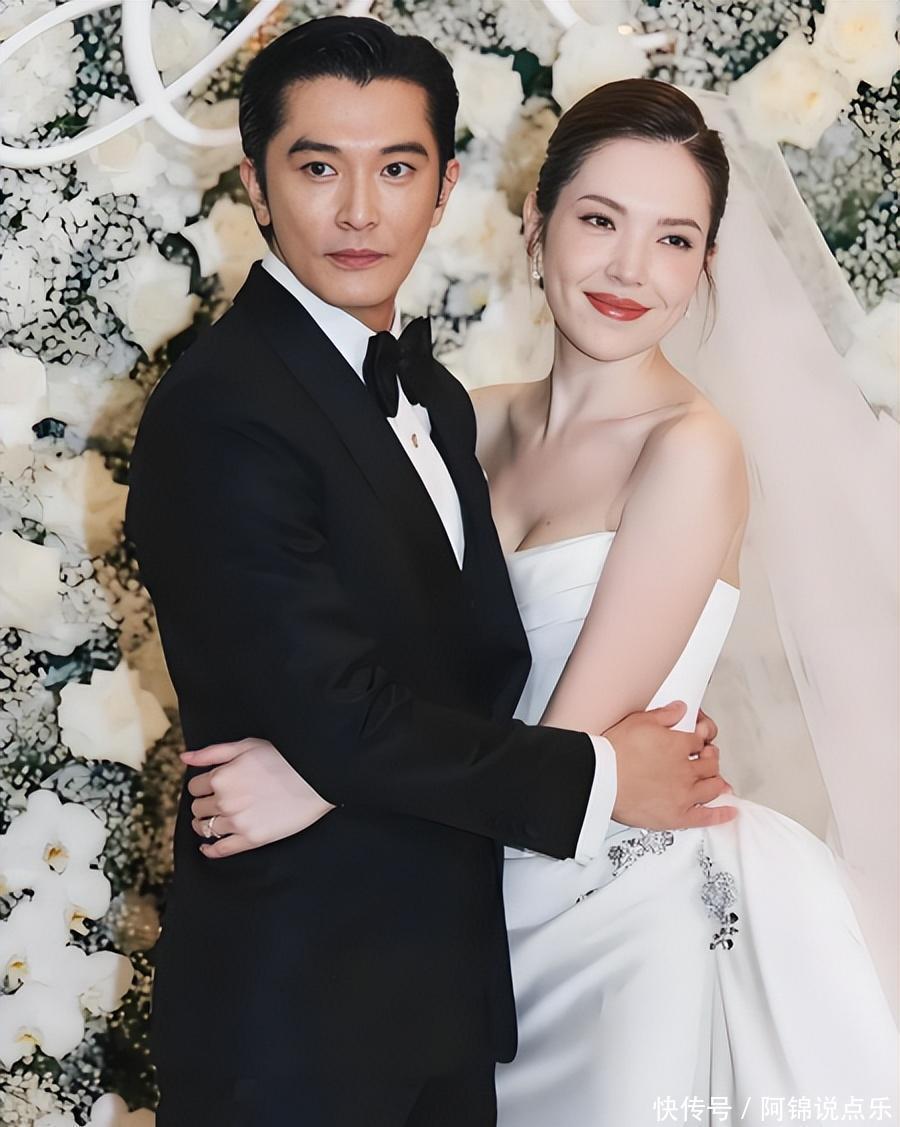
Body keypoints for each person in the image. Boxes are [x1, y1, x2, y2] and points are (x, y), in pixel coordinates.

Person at [195, 78, 898, 1123]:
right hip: (454, 911)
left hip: (621, 923)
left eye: (673, 239)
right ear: (537, 222)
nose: (629, 269)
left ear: (707, 263)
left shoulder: (690, 452)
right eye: (600, 220)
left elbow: (563, 746)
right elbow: (382, 667)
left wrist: (318, 782)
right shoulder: (457, 423)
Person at [124, 21, 731, 1127]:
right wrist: (601, 774)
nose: (361, 211)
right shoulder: (224, 409)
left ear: (446, 187)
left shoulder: (437, 404)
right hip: (295, 1014)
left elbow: (450, 666)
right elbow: (342, 703)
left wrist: (317, 773)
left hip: (459, 994)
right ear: (256, 185)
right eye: (320, 167)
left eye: (397, 169)